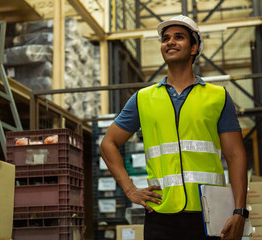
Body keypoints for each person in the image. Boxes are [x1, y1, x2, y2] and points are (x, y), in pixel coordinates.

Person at [100, 15, 248, 240]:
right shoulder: (142, 98)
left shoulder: (218, 97)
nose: (170, 42)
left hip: (210, 213)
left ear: (194, 47)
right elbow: (108, 144)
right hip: (161, 215)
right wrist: (130, 189)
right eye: (165, 38)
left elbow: (236, 155)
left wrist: (239, 211)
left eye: (179, 37)